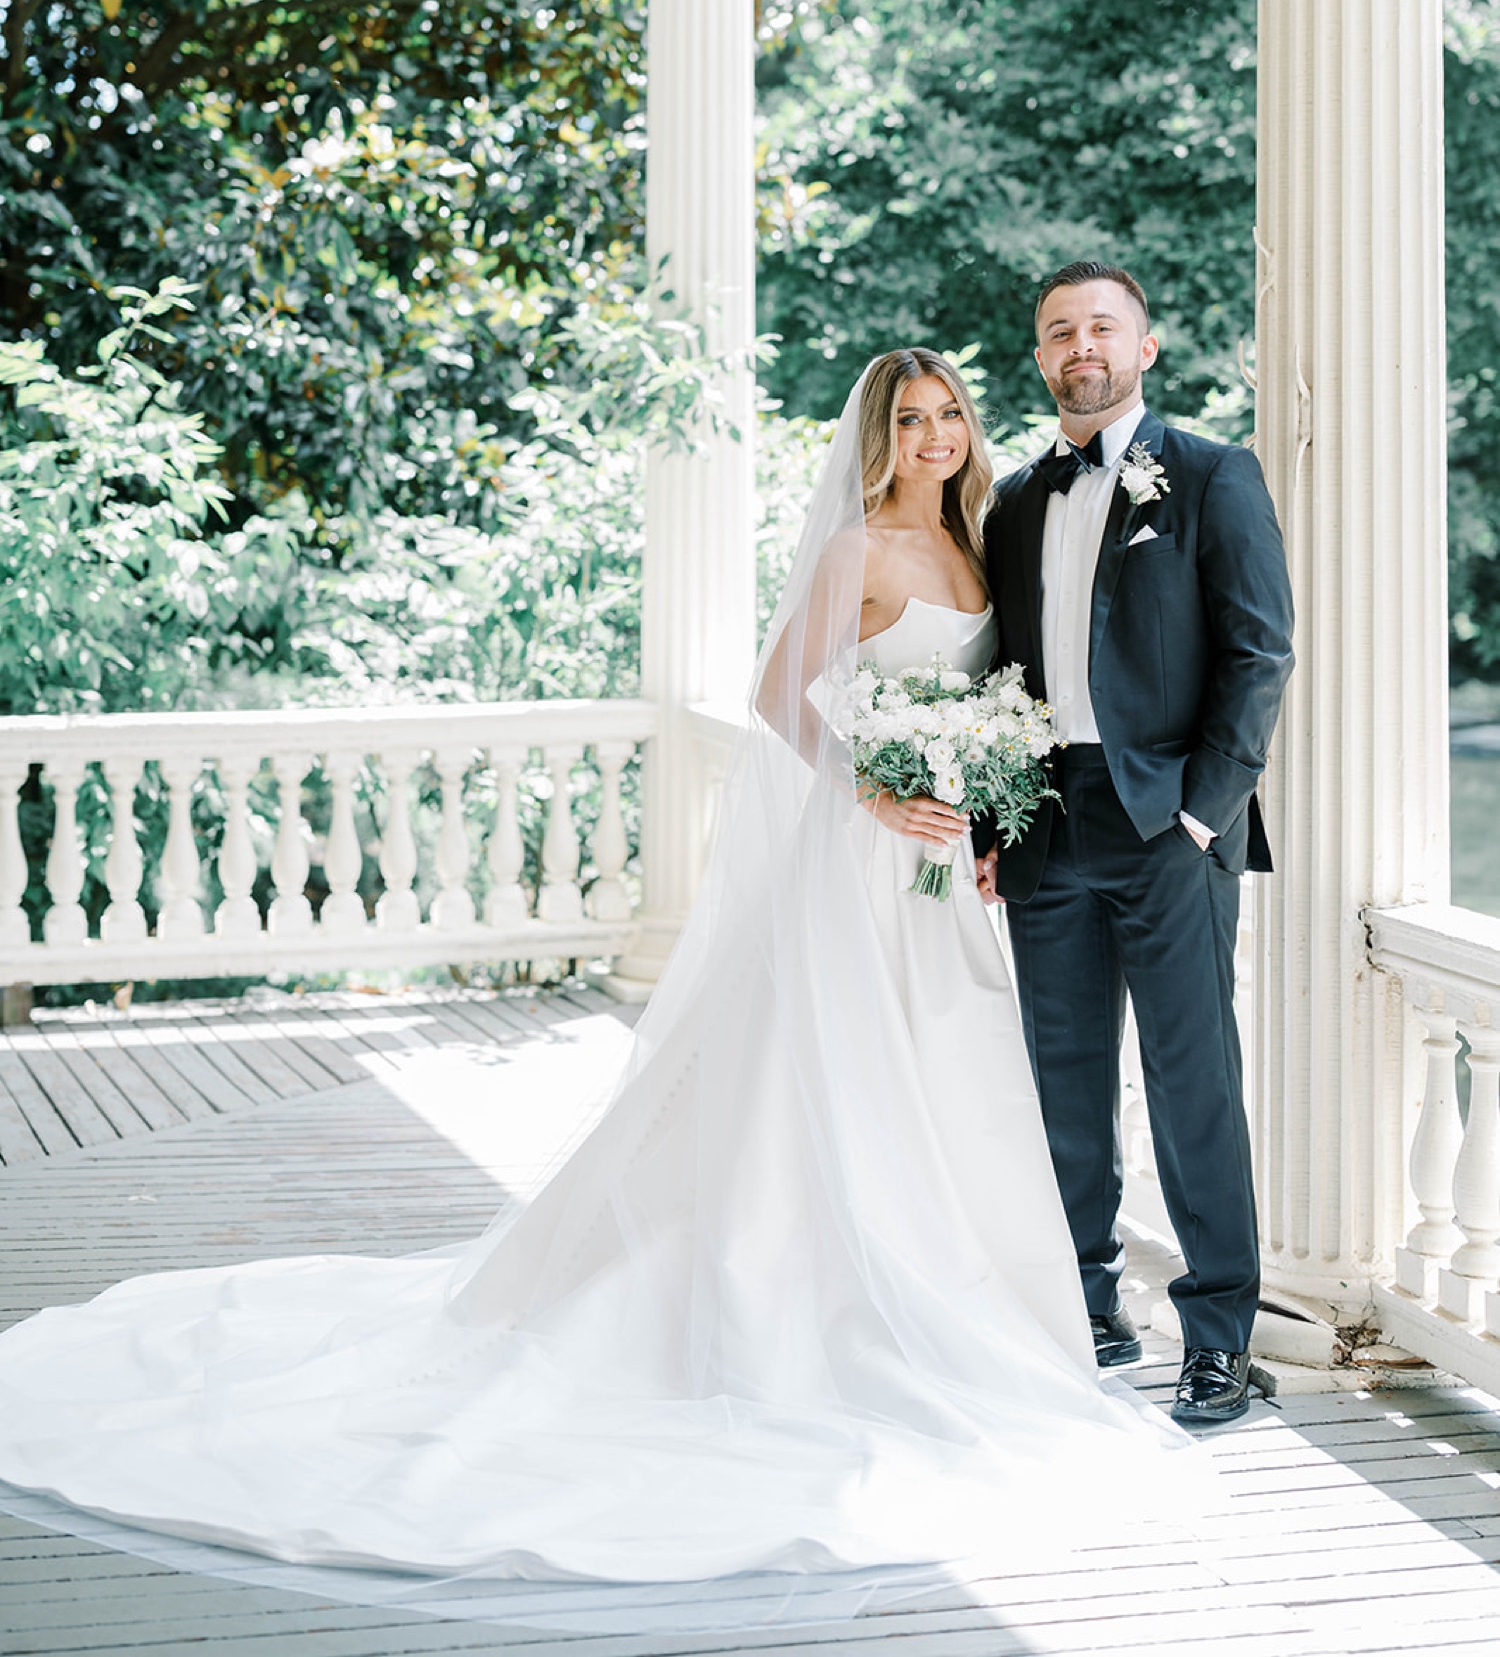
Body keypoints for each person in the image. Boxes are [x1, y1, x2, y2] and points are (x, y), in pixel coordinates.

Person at [0, 349, 1200, 1635]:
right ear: (876, 437)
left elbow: (1008, 697)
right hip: (860, 861)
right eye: (909, 419)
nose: (933, 435)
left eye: (947, 414)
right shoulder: (855, 550)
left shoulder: (979, 540)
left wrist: (978, 803)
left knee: (952, 1078)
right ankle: (826, 1295)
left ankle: (972, 1297)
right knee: (844, 1082)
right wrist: (869, 782)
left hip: (943, 873)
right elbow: (773, 698)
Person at [977, 263, 1295, 1428]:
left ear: (1145, 346)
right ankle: (1086, 1305)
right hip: (1046, 823)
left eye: (1101, 326)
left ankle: (1218, 1336)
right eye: (1059, 331)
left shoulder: (1213, 476)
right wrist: (988, 819)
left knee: (1191, 1082)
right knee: (1061, 1085)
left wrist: (1207, 812)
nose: (1080, 345)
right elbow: (999, 676)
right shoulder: (1013, 500)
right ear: (1044, 355)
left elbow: (1260, 654)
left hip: (1169, 822)